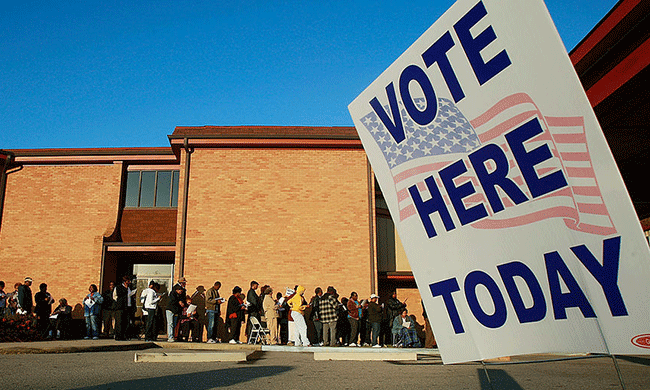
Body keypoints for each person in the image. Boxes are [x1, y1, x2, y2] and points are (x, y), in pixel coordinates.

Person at [166, 277, 187, 342]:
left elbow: (183, 299)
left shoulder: (181, 292)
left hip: (176, 310)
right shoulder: (173, 292)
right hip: (171, 309)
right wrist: (179, 301)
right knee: (170, 323)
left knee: (175, 324)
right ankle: (170, 337)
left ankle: (175, 336)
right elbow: (173, 300)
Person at [113, 276, 130, 341]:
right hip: (120, 307)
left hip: (127, 307)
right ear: (125, 282)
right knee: (119, 322)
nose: (129, 283)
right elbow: (118, 295)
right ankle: (118, 336)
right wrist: (125, 289)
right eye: (128, 281)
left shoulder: (129, 288)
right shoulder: (119, 287)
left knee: (125, 322)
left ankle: (124, 336)